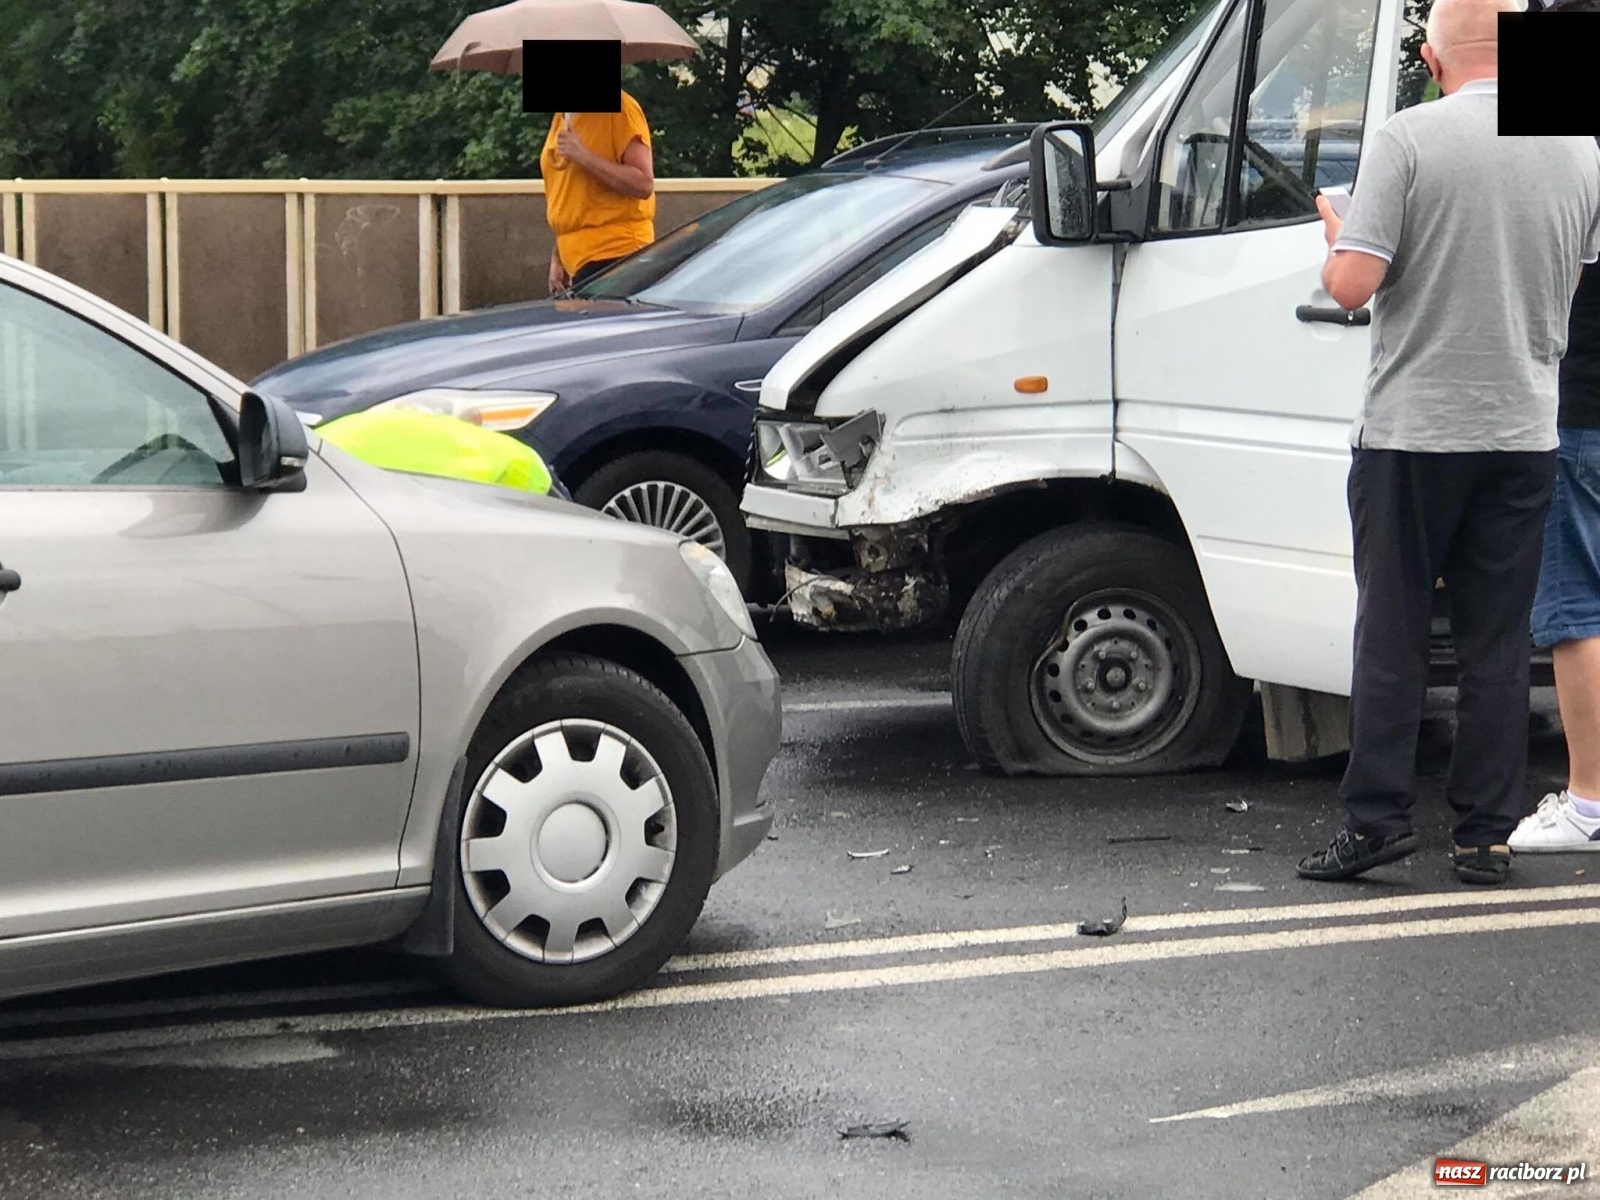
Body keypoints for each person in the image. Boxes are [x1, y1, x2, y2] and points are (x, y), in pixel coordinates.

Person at [1297, 0, 1600, 885]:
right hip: (1523, 432)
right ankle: (1484, 836)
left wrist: (1334, 233)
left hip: (1413, 433)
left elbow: (1354, 285)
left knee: (1391, 634)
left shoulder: (1407, 139)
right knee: (1497, 647)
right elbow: (1574, 272)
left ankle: (1376, 820)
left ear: (1431, 57)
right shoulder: (1582, 151)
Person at [1509, 0, 1600, 851]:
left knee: (1575, 606)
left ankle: (1589, 803)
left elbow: (1555, 279)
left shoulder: (1573, 155)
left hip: (1578, 404)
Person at [541, 92, 656, 296]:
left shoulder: (622, 110)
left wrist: (584, 157)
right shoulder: (561, 117)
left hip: (616, 255)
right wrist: (558, 254)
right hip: (576, 261)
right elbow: (571, 194)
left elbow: (643, 183)